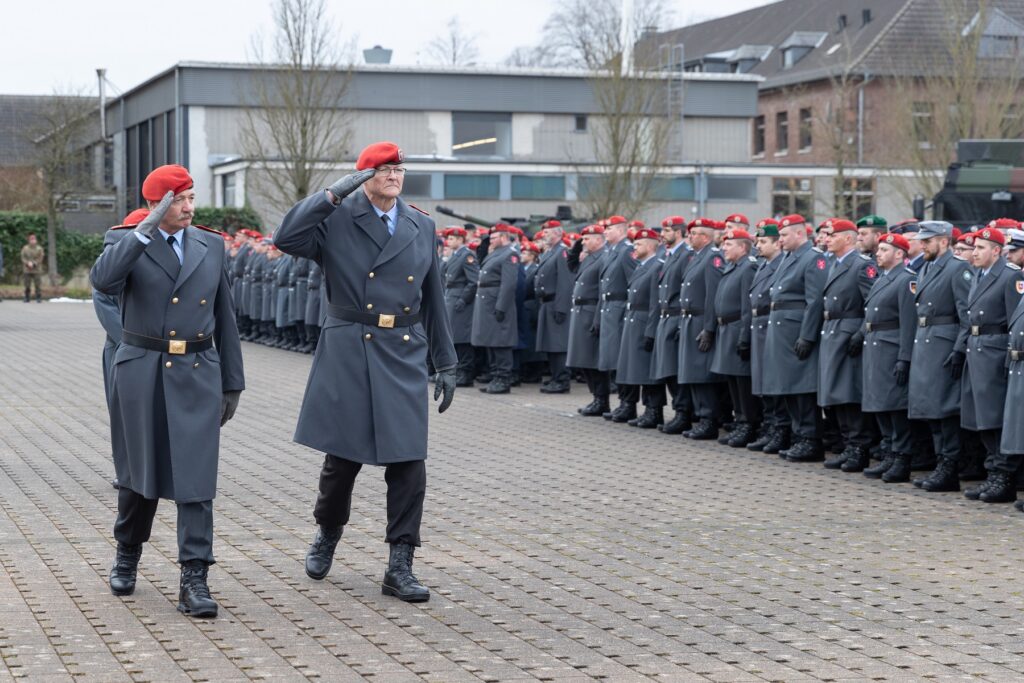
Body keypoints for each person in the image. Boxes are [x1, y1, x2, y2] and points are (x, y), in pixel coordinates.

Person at [274, 142, 456, 603]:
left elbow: (433, 296)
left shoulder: (421, 223)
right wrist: (330, 196)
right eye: (383, 169)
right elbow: (286, 238)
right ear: (361, 176)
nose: (394, 175)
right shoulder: (337, 218)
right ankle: (327, 533)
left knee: (409, 461)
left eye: (399, 168)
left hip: (402, 350)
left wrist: (447, 359)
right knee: (343, 459)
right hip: (351, 346)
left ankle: (401, 562)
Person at [90, 164, 245, 618]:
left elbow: (225, 316)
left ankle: (194, 577)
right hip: (142, 370)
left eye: (191, 197)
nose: (190, 207)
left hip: (197, 369)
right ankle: (128, 551)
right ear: (160, 202)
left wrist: (232, 380)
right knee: (141, 474)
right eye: (180, 199)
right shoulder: (124, 241)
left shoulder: (211, 244)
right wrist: (145, 229)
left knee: (196, 479)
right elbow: (103, 281)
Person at [959, 227, 1024, 503]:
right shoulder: (978, 275)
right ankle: (993, 472)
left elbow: (1015, 322)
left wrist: (1009, 356)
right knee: (981, 418)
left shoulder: (1010, 276)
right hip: (977, 349)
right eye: (974, 248)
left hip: (996, 353)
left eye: (981, 248)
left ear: (997, 251)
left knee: (997, 419)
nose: (975, 253)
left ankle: (1004, 476)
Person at [906, 222, 972, 493]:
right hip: (926, 341)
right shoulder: (929, 267)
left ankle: (949, 467)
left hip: (943, 344)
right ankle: (940, 463)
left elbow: (966, 315)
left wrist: (958, 348)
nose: (922, 245)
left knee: (945, 410)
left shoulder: (957, 268)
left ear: (943, 241)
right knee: (931, 409)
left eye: (927, 241)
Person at [762, 215, 827, 463]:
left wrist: (807, 336)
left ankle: (810, 439)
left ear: (800, 234)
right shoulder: (788, 258)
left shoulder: (813, 258)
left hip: (796, 331)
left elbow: (815, 301)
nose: (780, 240)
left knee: (802, 389)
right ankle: (799, 436)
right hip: (781, 331)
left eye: (785, 235)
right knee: (787, 386)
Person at [817, 219, 878, 472]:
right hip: (832, 331)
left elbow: (873, 304)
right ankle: (848, 445)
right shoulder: (834, 263)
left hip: (848, 332)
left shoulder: (861, 266)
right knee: (836, 395)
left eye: (833, 235)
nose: (827, 239)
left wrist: (861, 333)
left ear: (849, 239)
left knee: (849, 394)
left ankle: (859, 448)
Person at [860, 233, 918, 482]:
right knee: (880, 404)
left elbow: (908, 323)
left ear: (899, 254)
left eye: (884, 250)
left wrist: (904, 358)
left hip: (891, 347)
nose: (878, 254)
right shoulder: (883, 278)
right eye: (878, 249)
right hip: (876, 347)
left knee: (894, 406)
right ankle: (889, 455)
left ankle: (901, 459)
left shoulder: (906, 280)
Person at [710, 229, 759, 447]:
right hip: (726, 329)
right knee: (732, 380)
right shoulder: (733, 267)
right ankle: (740, 422)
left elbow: (747, 306)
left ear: (742, 247)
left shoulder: (747, 267)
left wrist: (744, 336)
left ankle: (748, 424)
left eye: (728, 245)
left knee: (742, 382)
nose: (723, 248)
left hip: (737, 327)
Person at [679, 217, 727, 440]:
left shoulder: (712, 257)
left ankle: (709, 420)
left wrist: (709, 328)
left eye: (695, 233)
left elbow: (713, 295)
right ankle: (701, 417)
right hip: (690, 319)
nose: (690, 236)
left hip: (701, 321)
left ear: (706, 237)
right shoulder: (696, 257)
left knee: (702, 372)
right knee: (692, 373)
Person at [746, 219, 788, 453]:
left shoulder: (780, 264)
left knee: (772, 382)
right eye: (757, 241)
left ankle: (779, 429)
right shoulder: (764, 265)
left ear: (777, 244)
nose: (758, 246)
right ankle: (770, 427)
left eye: (763, 241)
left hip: (771, 324)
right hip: (759, 325)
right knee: (762, 381)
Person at [615, 228, 665, 421]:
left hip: (645, 321)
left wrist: (650, 331)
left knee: (648, 370)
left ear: (652, 245)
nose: (635, 247)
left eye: (639, 244)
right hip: (633, 319)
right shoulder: (641, 266)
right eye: (634, 243)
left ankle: (654, 410)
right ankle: (635, 408)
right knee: (633, 367)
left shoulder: (656, 266)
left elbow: (655, 302)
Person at [648, 217, 692, 431]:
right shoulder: (668, 255)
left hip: (676, 316)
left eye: (667, 231)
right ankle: (680, 410)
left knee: (676, 369)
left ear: (679, 232)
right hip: (665, 316)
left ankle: (683, 413)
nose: (662, 235)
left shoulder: (686, 255)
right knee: (667, 369)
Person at [597, 216, 639, 418]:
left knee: (623, 359)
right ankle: (623, 402)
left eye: (609, 228)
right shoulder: (612, 251)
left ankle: (628, 403)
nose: (605, 232)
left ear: (621, 230)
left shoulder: (626, 251)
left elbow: (634, 283)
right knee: (613, 358)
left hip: (621, 309)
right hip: (610, 308)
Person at [473, 224, 521, 394]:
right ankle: (495, 377)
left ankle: (503, 378)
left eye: (494, 238)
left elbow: (508, 284)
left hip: (497, 304)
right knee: (490, 342)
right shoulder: (495, 253)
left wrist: (501, 306)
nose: (491, 241)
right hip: (487, 305)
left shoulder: (510, 254)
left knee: (501, 343)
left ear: (504, 237)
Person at [566, 225, 608, 415]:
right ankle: (595, 398)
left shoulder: (604, 257)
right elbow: (572, 264)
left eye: (587, 239)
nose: (584, 242)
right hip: (581, 311)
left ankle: (601, 399)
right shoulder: (589, 257)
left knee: (593, 359)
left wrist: (598, 316)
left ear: (599, 239)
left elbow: (603, 291)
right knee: (583, 359)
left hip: (591, 311)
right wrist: (577, 245)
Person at [533, 223, 573, 393]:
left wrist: (562, 308)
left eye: (547, 232)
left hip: (556, 302)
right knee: (550, 344)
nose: (544, 235)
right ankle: (556, 376)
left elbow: (565, 282)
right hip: (546, 303)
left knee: (558, 344)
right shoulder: (550, 251)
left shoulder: (562, 252)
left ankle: (563, 380)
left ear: (558, 233)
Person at [443, 227, 480, 387]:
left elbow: (473, 281)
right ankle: (459, 371)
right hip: (451, 296)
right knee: (454, 337)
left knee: (462, 338)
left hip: (460, 301)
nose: (448, 241)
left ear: (460, 239)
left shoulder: (467, 255)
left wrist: (463, 300)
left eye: (452, 238)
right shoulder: (456, 255)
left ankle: (466, 373)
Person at [20, 234, 44, 302]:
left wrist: (34, 263)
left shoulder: (39, 248)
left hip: (37, 269)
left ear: (36, 241)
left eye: (34, 239)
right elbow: (22, 257)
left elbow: (41, 257)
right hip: (27, 269)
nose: (33, 241)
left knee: (38, 284)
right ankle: (27, 297)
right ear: (29, 241)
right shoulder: (25, 248)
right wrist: (27, 263)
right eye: (31, 240)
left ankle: (38, 297)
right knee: (27, 284)